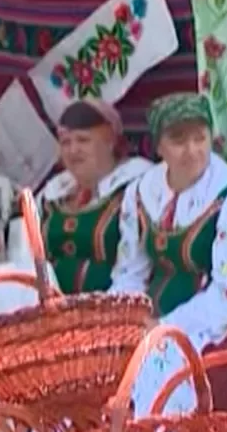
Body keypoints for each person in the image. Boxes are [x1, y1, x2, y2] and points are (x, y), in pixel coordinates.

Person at [110, 93, 227, 418]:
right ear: (159, 147)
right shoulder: (142, 192)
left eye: (200, 138)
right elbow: (130, 270)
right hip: (155, 323)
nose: (192, 150)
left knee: (164, 375)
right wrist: (122, 319)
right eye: (178, 140)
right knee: (102, 364)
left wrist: (164, 327)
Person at [37, 99, 152, 294]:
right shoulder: (54, 191)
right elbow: (25, 252)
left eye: (83, 140)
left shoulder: (137, 186)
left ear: (109, 142)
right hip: (50, 307)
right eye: (66, 142)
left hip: (114, 304)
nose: (73, 150)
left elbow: (136, 270)